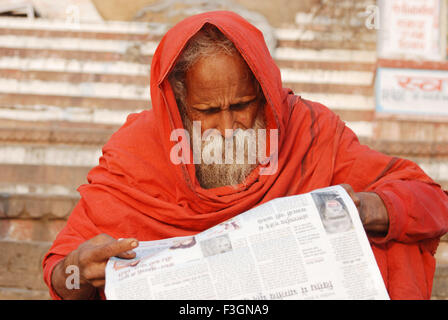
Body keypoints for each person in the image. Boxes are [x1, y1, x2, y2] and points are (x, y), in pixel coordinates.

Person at [43, 11, 448, 300]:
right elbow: (64, 275)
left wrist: (360, 207)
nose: (228, 127)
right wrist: (77, 273)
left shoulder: (309, 132)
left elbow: (429, 200)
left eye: (242, 105)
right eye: (207, 112)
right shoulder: (137, 152)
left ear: (266, 95)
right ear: (178, 108)